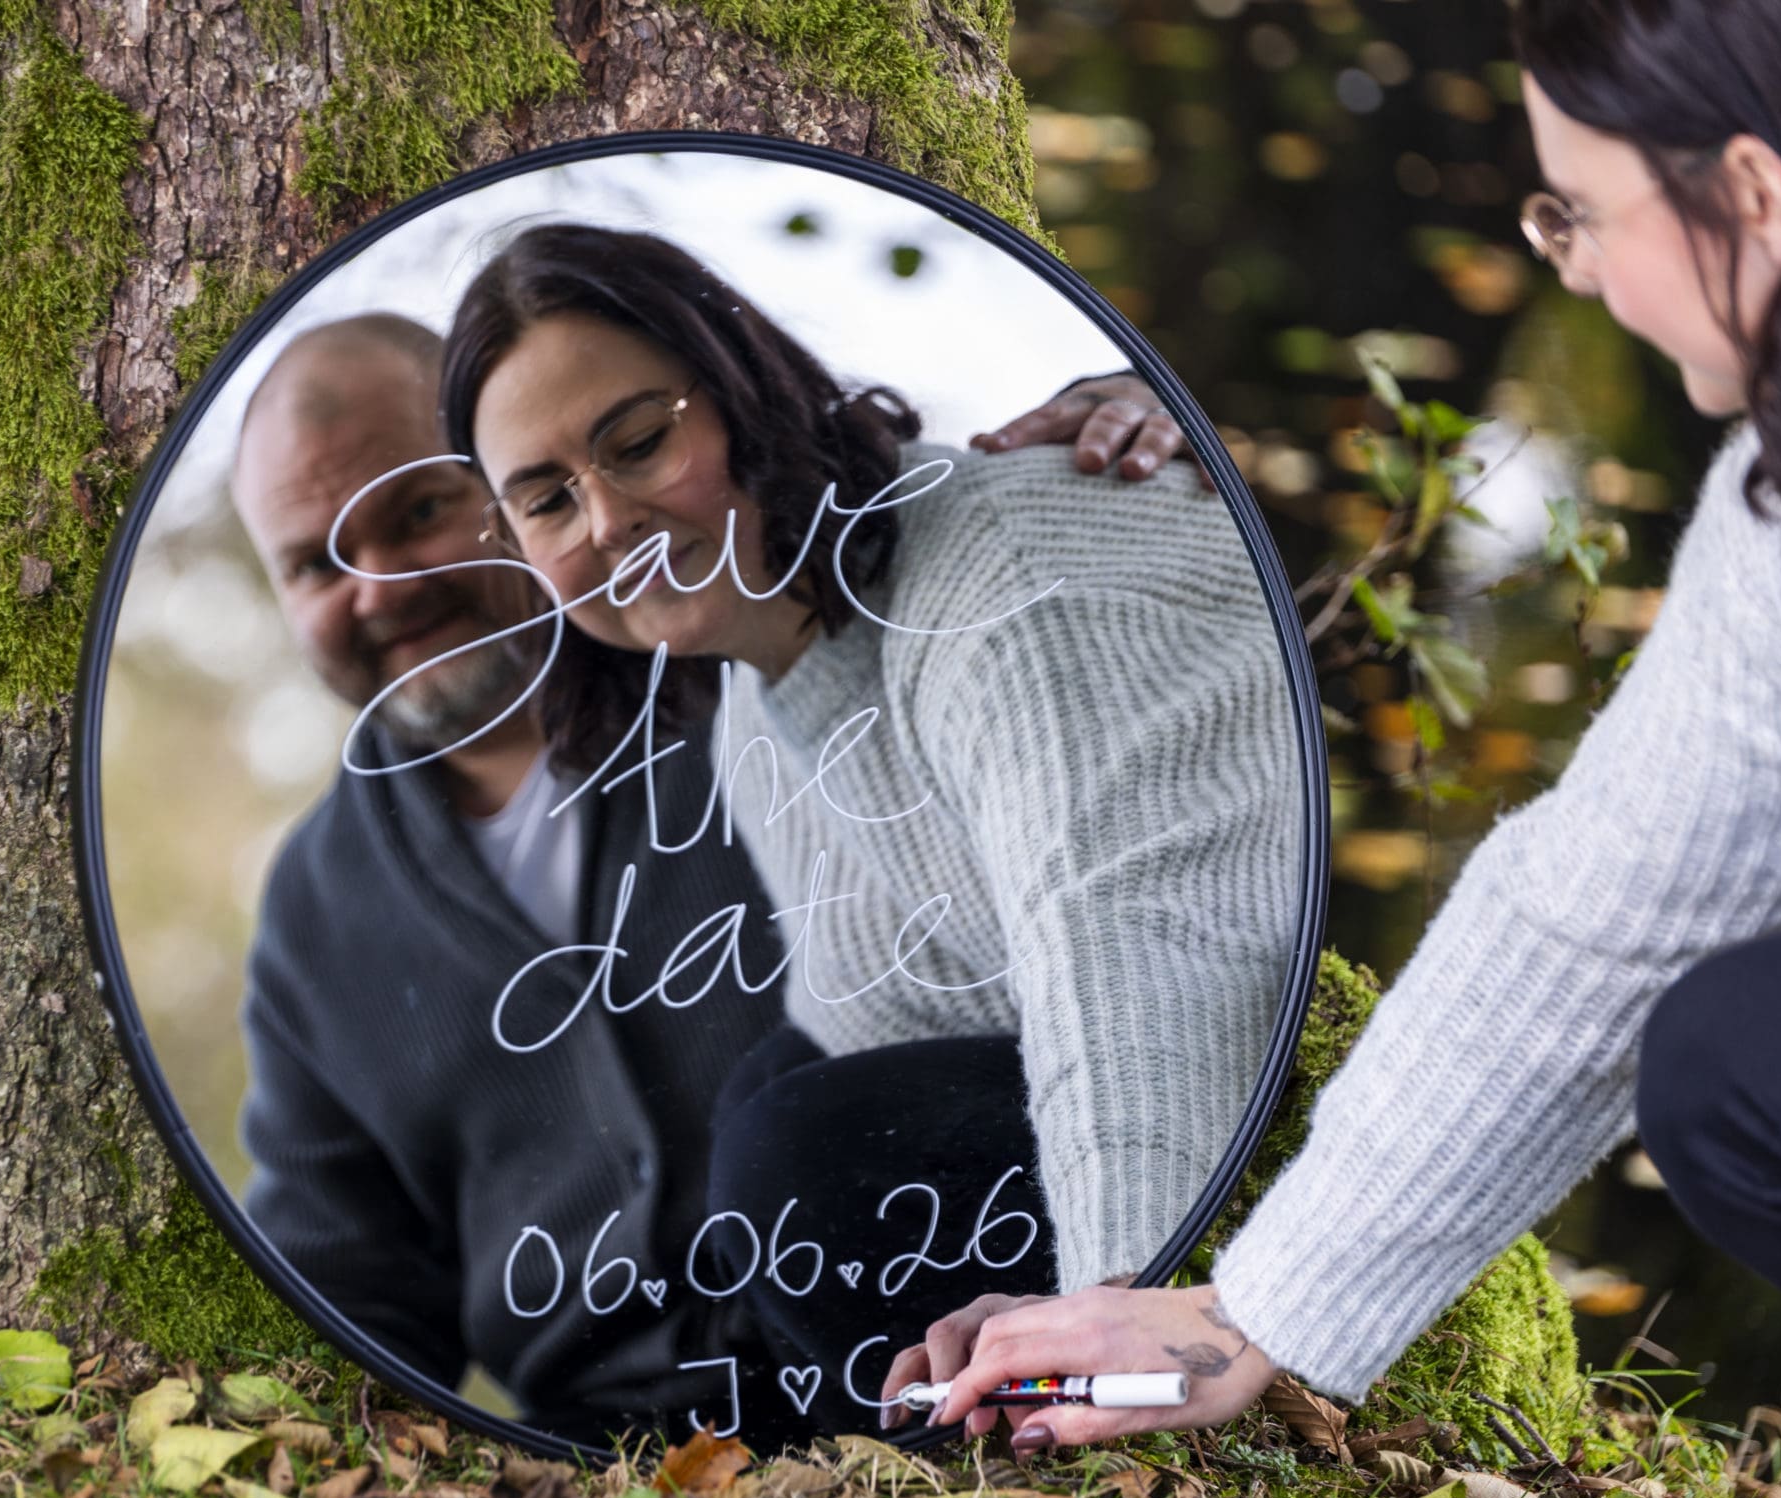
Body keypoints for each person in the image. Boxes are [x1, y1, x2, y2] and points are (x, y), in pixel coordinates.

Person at [919, 0, 1781, 1457]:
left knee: (1745, 1070)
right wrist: (1257, 1310)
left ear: (1756, 194)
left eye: (1580, 211)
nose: (1567, 262)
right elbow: (1606, 910)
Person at [223, 311, 1200, 1435]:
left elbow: (941, 541)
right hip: (608, 1476)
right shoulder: (314, 908)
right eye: (315, 563)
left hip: (949, 1389)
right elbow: (344, 1288)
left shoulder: (755, 649)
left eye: (418, 512)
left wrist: (1131, 398)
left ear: (516, 489)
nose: (382, 587)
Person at [436, 225, 1305, 1414]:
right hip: (1109, 1093)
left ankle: (1045, 1409)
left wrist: (1119, 1310)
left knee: (807, 1151)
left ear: (741, 389)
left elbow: (1135, 953)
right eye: (545, 501)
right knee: (772, 1105)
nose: (605, 521)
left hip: (1252, 1107)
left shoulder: (1000, 574)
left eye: (637, 444)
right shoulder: (757, 708)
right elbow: (883, 1020)